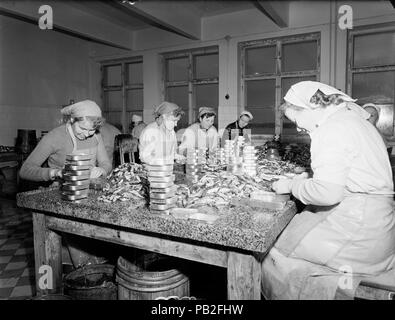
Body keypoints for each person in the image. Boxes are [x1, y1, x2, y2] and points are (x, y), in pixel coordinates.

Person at [261, 81, 395, 299]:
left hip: (360, 232)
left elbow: (328, 193)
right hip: (379, 228)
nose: (297, 128)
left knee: (271, 252)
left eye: (296, 119)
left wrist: (291, 185)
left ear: (312, 106)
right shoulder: (353, 120)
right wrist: (310, 179)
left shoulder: (331, 128)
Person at [20, 100, 112, 182]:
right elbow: (25, 171)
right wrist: (55, 173)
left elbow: (105, 163)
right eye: (82, 128)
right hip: (61, 191)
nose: (87, 134)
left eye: (91, 130)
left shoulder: (96, 135)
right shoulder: (55, 137)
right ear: (72, 119)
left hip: (89, 188)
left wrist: (102, 170)